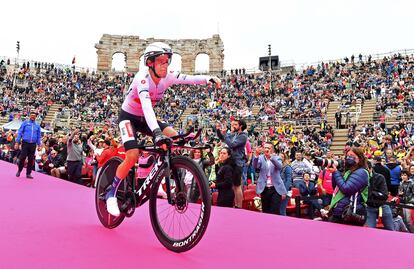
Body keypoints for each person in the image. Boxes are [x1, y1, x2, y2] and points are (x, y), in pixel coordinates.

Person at [106, 42, 221, 216]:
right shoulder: (142, 78)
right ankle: (111, 192)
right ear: (150, 63)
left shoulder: (167, 76)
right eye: (161, 61)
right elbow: (147, 108)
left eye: (167, 61)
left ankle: (170, 170)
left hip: (145, 119)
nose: (165, 65)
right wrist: (157, 133)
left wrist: (207, 79)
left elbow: (188, 79)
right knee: (132, 155)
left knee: (176, 137)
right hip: (128, 118)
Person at [327, 147, 369, 226]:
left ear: (359, 158)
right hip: (340, 211)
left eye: (352, 156)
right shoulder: (348, 172)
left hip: (351, 213)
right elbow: (336, 188)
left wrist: (336, 173)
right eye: (348, 156)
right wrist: (335, 173)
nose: (349, 158)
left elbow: (347, 189)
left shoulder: (362, 172)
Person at [216, 119, 248, 208]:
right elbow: (223, 138)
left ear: (240, 126)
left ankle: (239, 206)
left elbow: (232, 145)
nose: (233, 126)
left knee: (237, 186)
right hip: (232, 162)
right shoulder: (235, 134)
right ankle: (235, 205)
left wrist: (226, 134)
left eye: (235, 124)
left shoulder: (243, 136)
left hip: (238, 162)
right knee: (233, 186)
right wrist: (218, 131)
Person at [253, 142, 287, 215]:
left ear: (272, 149)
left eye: (268, 148)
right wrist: (256, 155)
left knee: (274, 210)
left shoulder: (277, 157)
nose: (266, 149)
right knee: (266, 210)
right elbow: (255, 166)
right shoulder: (261, 157)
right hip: (264, 188)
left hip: (275, 188)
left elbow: (279, 166)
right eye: (265, 147)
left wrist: (271, 157)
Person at [366, 161, 394, 231]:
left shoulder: (380, 177)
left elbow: (384, 195)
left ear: (370, 169)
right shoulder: (361, 178)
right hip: (369, 207)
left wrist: (372, 192)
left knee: (390, 229)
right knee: (370, 230)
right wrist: (377, 193)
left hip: (383, 205)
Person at [15, 111, 42, 179]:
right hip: (25, 143)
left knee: (31, 159)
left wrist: (39, 145)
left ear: (36, 117)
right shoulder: (25, 123)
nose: (33, 117)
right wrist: (17, 142)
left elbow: (39, 136)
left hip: (33, 144)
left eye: (34, 116)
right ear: (30, 116)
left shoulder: (37, 125)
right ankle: (19, 170)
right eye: (32, 115)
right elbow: (20, 132)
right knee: (22, 158)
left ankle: (28, 173)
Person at [279, 151, 293, 216]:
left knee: (282, 209)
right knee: (278, 209)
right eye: (279, 156)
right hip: (278, 190)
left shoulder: (287, 167)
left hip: (285, 191)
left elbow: (288, 180)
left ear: (284, 158)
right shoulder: (277, 167)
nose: (280, 157)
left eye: (282, 156)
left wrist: (284, 191)